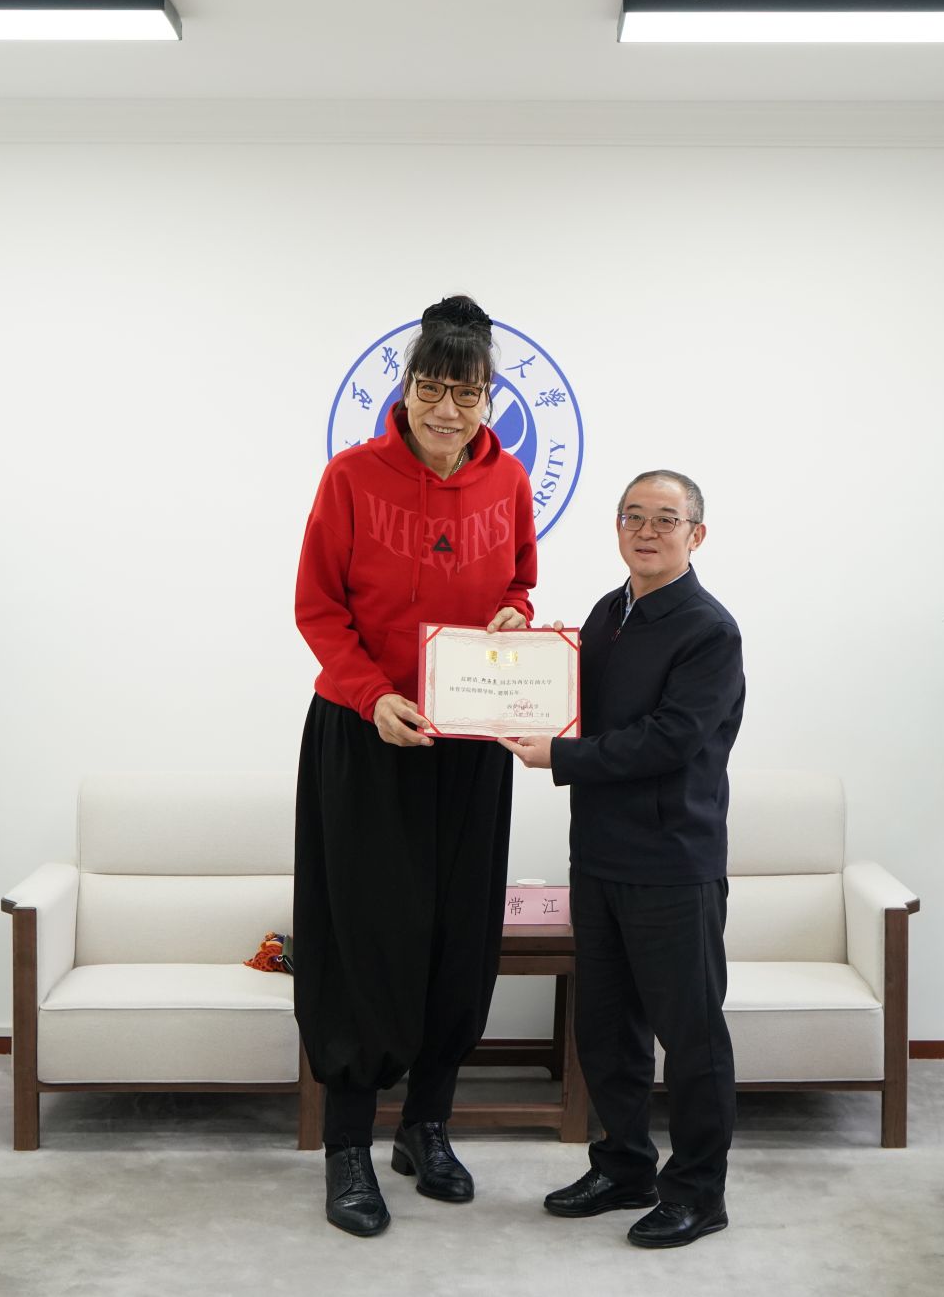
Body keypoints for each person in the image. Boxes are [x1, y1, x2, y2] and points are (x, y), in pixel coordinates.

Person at [293, 294, 537, 1237]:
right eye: (432, 388)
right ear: (406, 388)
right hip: (367, 735)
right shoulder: (351, 477)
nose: (448, 409)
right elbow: (319, 609)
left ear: (488, 399)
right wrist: (371, 697)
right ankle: (349, 1144)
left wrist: (515, 614)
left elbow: (519, 581)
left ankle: (427, 1126)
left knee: (458, 938)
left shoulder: (508, 479)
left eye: (466, 393)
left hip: (469, 743)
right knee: (365, 940)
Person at [504, 469, 745, 1249]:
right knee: (606, 1029)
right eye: (632, 516)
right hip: (600, 855)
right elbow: (570, 699)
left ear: (696, 535)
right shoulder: (610, 613)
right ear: (616, 528)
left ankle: (699, 1193)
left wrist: (560, 756)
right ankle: (623, 1168)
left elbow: (671, 740)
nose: (646, 531)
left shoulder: (709, 630)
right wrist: (520, 661)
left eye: (665, 519)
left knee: (691, 1035)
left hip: (673, 861)